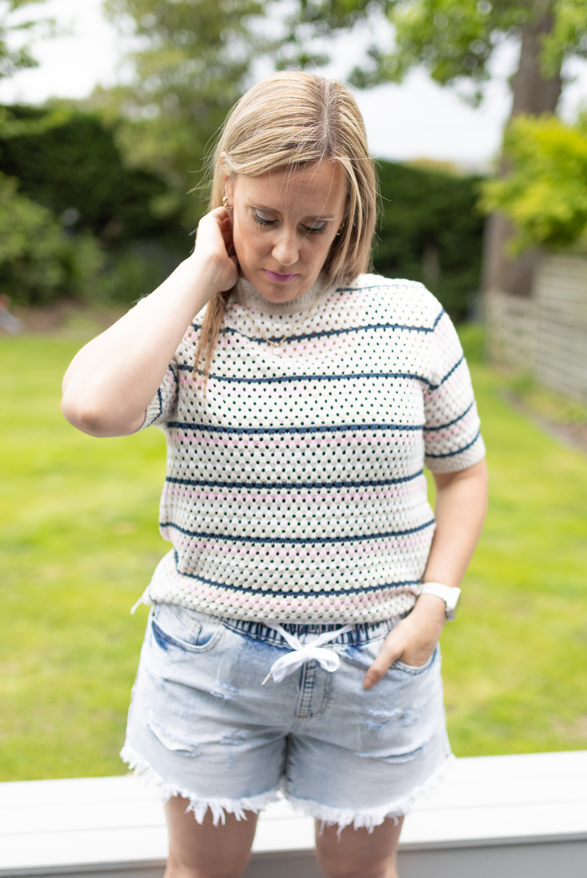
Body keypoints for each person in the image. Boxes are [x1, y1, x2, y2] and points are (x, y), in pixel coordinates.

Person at [61, 71, 487, 878]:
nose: (286, 251)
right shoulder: (188, 323)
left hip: (377, 665)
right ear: (227, 194)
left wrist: (435, 604)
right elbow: (91, 405)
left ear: (348, 214)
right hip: (209, 664)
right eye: (262, 219)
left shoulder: (411, 317)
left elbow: (463, 472)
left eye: (313, 225)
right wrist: (199, 274)